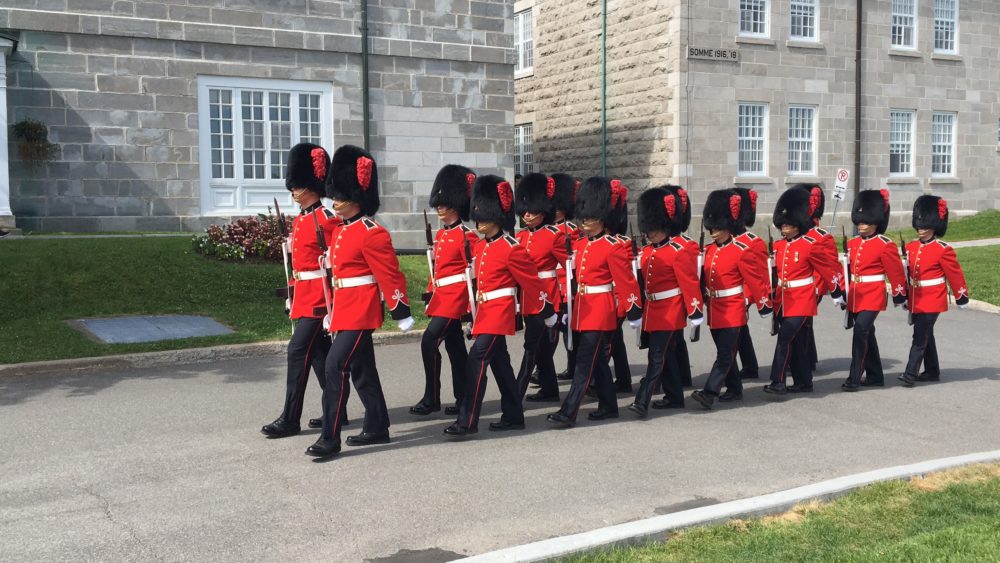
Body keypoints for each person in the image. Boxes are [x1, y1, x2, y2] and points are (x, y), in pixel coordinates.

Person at [305, 145, 415, 458]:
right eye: (334, 194)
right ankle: (378, 426)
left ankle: (330, 436)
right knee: (361, 369)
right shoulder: (340, 231)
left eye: (340, 195)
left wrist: (400, 311)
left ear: (357, 196)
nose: (335, 200)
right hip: (344, 307)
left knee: (333, 365)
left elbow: (390, 275)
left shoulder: (372, 232)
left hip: (362, 310)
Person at [443, 176, 555, 437]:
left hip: (501, 312)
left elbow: (532, 284)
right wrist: (472, 313)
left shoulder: (512, 249)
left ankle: (467, 421)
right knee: (500, 364)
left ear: (498, 215)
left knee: (476, 361)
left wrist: (546, 312)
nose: (478, 220)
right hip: (485, 312)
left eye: (484, 214)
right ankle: (514, 415)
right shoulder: (481, 247)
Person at [547, 177, 642, 427]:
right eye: (584, 216)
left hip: (600, 311)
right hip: (582, 309)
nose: (586, 221)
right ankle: (609, 406)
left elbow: (626, 282)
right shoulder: (579, 244)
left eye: (591, 216)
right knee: (598, 361)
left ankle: (569, 411)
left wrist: (632, 310)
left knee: (583, 363)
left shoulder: (613, 247)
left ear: (602, 217)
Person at [261, 143, 339, 438]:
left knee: (297, 351)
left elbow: (334, 263)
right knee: (319, 354)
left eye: (297, 185)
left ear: (311, 186)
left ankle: (290, 419)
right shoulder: (302, 219)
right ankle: (338, 409)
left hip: (320, 297)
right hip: (303, 293)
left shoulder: (327, 220)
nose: (292, 190)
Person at [690, 189, 771, 409]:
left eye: (717, 227)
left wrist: (762, 303)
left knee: (725, 355)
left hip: (734, 307)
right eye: (711, 227)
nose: (713, 231)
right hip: (714, 309)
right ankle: (734, 389)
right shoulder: (708, 251)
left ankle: (709, 392)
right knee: (725, 352)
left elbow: (756, 279)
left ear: (728, 226)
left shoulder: (741, 250)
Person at [410, 165, 479, 417]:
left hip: (456, 299)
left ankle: (432, 397)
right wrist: (432, 295)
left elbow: (473, 276)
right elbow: (436, 272)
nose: (439, 207)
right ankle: (463, 397)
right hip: (442, 298)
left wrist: (472, 310)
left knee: (429, 341)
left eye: (444, 203)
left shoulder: (466, 236)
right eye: (438, 203)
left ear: (457, 203)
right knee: (455, 348)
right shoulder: (441, 234)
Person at [628, 187, 703, 417]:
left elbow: (689, 283)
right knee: (667, 356)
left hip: (670, 311)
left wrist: (695, 311)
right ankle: (674, 397)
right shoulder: (647, 252)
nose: (649, 233)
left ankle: (642, 400)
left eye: (653, 229)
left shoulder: (679, 251)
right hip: (653, 310)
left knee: (656, 356)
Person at [763, 187, 840, 395]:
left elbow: (828, 268)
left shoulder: (809, 245)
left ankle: (778, 381)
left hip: (803, 299)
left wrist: (835, 290)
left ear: (798, 225)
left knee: (785, 338)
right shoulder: (779, 246)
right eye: (783, 224)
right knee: (796, 342)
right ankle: (804, 381)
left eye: (788, 224)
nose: (784, 227)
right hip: (783, 299)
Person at [898, 195, 970, 387]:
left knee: (920, 336)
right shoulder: (911, 247)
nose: (920, 229)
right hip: (916, 297)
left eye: (924, 226)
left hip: (933, 298)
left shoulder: (943, 250)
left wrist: (961, 295)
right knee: (926, 334)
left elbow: (954, 274)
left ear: (934, 226)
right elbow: (906, 275)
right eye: (919, 226)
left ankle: (910, 374)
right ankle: (932, 370)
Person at [842, 189, 907, 392]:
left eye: (865, 222)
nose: (860, 224)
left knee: (861, 331)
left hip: (873, 294)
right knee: (867, 333)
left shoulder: (885, 245)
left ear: (876, 222)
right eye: (859, 221)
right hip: (856, 294)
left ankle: (855, 376)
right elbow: (847, 272)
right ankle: (876, 376)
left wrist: (899, 294)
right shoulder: (852, 244)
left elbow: (895, 273)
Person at [513, 173, 568, 402]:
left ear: (543, 210)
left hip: (546, 298)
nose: (527, 214)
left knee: (531, 346)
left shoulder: (554, 236)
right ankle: (551, 390)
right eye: (524, 210)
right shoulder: (520, 237)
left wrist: (565, 300)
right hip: (526, 298)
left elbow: (569, 268)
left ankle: (515, 394)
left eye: (532, 210)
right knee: (543, 347)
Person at [551, 173, 583, 382]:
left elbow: (573, 261)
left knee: (566, 330)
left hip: (565, 285)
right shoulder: (546, 229)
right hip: (551, 284)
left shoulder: (571, 230)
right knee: (555, 329)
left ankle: (573, 367)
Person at [731, 187, 766, 380]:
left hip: (741, 295)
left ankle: (729, 370)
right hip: (728, 293)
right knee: (740, 331)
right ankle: (750, 366)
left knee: (733, 334)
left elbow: (758, 274)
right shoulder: (726, 242)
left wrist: (748, 297)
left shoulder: (753, 242)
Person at [606, 181, 636, 393]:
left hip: (616, 299)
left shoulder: (621, 243)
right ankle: (624, 379)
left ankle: (597, 382)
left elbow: (626, 277)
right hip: (606, 298)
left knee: (607, 342)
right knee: (616, 341)